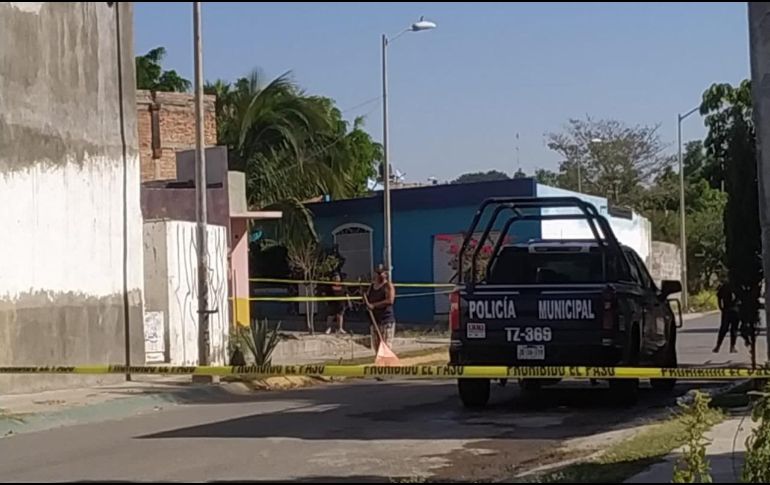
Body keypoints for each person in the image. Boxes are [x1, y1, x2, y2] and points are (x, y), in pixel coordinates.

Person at [366, 264, 396, 352]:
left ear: (385, 274)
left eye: (381, 273)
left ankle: (387, 365)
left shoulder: (388, 286)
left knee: (386, 347)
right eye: (377, 273)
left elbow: (390, 300)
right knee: (377, 348)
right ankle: (379, 364)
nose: (379, 275)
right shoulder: (371, 287)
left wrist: (374, 305)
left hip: (386, 321)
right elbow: (367, 299)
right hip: (375, 320)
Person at [714, 280, 740, 353]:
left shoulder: (725, 286)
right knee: (734, 329)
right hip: (735, 310)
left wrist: (721, 307)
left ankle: (718, 346)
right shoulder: (738, 286)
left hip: (727, 310)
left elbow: (719, 297)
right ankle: (732, 347)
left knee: (724, 328)